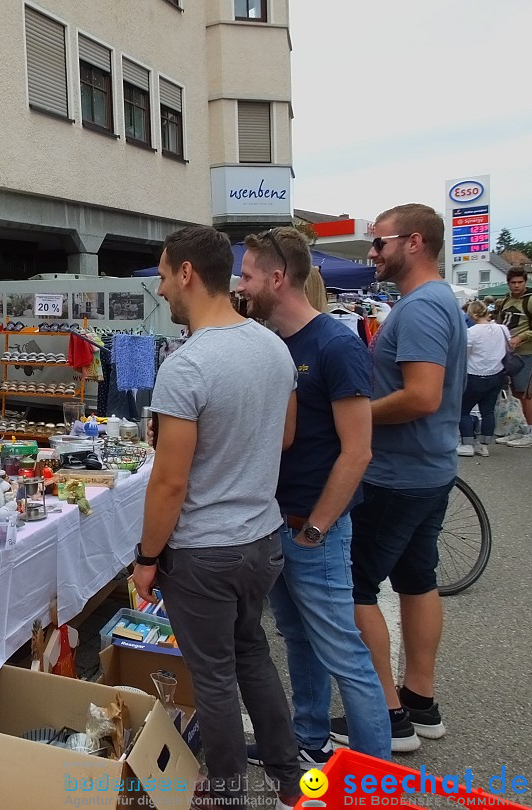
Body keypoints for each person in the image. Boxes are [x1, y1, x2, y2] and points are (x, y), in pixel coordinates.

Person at [131, 226, 301, 810]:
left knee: (215, 677)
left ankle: (226, 795)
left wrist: (147, 559)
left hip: (204, 550)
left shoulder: (188, 365)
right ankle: (288, 784)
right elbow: (284, 435)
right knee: (251, 653)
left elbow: (170, 481)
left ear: (185, 274)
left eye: (160, 274)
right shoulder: (272, 344)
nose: (158, 288)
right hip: (260, 537)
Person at [236, 228, 389, 768]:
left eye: (249, 275)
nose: (241, 284)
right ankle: (310, 741)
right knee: (298, 639)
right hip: (281, 524)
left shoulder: (336, 345)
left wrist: (316, 528)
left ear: (278, 279)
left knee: (346, 655)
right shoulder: (276, 344)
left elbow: (358, 452)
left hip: (312, 528)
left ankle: (374, 780)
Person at [330, 204, 465, 753]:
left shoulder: (421, 309)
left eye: (378, 242)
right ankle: (419, 702)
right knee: (417, 579)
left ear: (413, 242)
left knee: (357, 588)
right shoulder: (434, 302)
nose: (371, 252)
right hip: (428, 470)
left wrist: (356, 415)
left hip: (397, 474)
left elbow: (423, 395)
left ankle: (387, 716)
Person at [458, 300, 508, 457]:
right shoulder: (503, 329)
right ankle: (484, 444)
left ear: (472, 314)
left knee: (463, 410)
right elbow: (508, 348)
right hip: (497, 374)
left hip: (475, 375)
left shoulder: (471, 332)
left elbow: (465, 353)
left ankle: (468, 444)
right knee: (488, 411)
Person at [495, 266, 532, 447]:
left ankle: (530, 432)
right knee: (516, 394)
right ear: (508, 283)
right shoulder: (505, 301)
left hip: (527, 353)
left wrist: (521, 337)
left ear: (525, 282)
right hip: (510, 355)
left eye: (520, 282)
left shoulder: (530, 300)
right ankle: (520, 429)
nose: (517, 286)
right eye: (513, 282)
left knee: (527, 394)